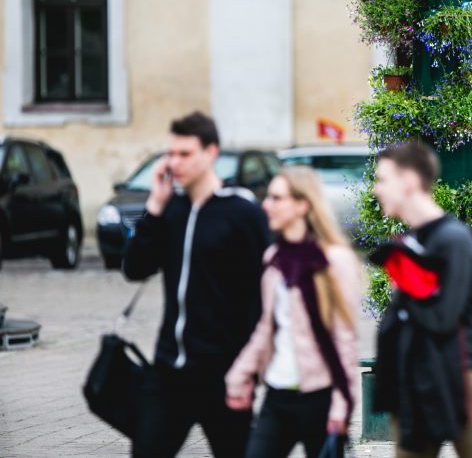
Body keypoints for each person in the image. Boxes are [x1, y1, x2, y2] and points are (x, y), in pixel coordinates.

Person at [123, 112, 270, 458]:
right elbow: (135, 268)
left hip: (224, 373)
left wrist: (249, 369)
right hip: (169, 371)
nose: (175, 163)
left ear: (211, 152)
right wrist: (154, 208)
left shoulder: (242, 212)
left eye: (185, 154)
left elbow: (263, 297)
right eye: (171, 153)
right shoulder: (170, 209)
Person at [370, 141, 472, 458]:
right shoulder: (414, 241)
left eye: (382, 179)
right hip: (420, 373)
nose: (376, 189)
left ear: (410, 181)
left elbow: (442, 316)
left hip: (467, 376)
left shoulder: (453, 239)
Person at [226, 166, 361, 458]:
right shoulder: (274, 259)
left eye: (276, 198)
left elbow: (345, 339)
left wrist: (341, 404)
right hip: (277, 395)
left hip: (321, 396)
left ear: (302, 205)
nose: (266, 205)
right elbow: (267, 327)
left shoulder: (335, 260)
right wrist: (239, 373)